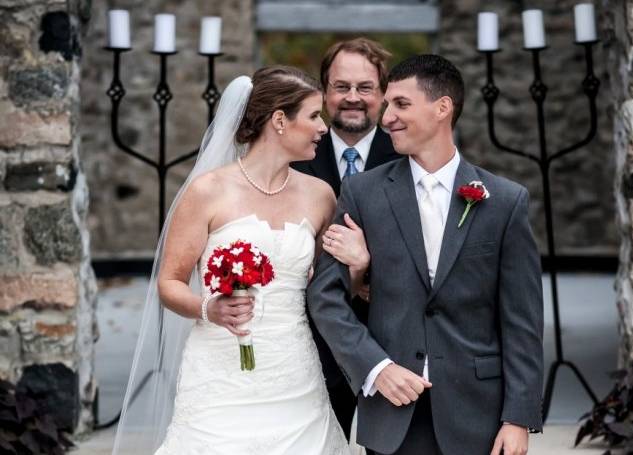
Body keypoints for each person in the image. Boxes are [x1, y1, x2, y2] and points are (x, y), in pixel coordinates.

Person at [112, 66, 369, 454]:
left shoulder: (321, 196)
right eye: (314, 115)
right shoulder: (207, 191)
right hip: (219, 370)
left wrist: (359, 267)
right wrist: (207, 307)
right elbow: (169, 283)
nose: (322, 127)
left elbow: (327, 292)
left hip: (293, 370)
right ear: (280, 120)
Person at [309, 54, 544, 455]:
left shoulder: (505, 201)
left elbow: (522, 320)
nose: (386, 119)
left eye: (401, 104)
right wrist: (376, 368)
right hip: (393, 410)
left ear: (442, 108)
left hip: (479, 415)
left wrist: (518, 417)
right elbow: (324, 298)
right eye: (387, 106)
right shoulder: (362, 193)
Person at [291, 37, 400, 438]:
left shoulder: (409, 154)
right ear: (323, 93)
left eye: (365, 87)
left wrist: (365, 273)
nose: (353, 98)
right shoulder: (294, 154)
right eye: (341, 86)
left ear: (384, 94)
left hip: (392, 343)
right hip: (307, 344)